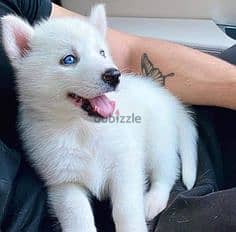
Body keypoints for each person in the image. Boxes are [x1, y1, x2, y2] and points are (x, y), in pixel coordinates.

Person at [0, 0, 235, 231]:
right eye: (68, 60)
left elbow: (123, 162)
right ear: (22, 51)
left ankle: (162, 183)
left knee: (159, 139)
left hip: (153, 156)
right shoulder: (40, 133)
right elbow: (65, 185)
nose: (106, 68)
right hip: (32, 214)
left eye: (101, 52)